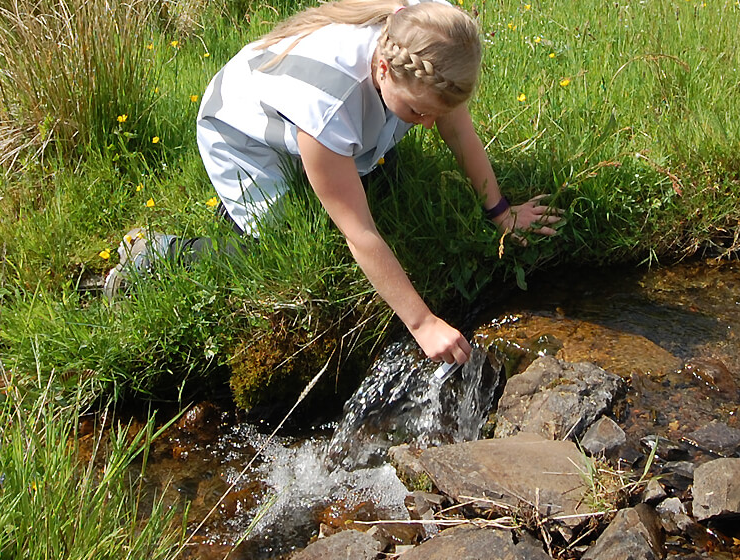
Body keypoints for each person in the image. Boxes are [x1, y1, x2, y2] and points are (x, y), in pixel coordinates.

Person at [110, 0, 562, 364]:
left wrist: (502, 213)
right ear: (383, 71)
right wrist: (423, 324)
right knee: (276, 246)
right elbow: (360, 234)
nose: (428, 126)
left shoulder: (435, 38)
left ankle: (357, 156)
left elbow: (458, 130)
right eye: (416, 113)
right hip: (243, 130)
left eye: (435, 113)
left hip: (340, 113)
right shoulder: (328, 104)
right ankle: (156, 256)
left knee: (383, 186)